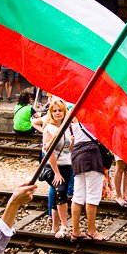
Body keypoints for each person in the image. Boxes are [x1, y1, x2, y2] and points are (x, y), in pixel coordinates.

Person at [33, 99, 73, 237]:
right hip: (53, 167)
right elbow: (48, 153)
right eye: (54, 111)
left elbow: (68, 149)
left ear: (64, 112)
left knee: (58, 195)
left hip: (67, 165)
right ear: (50, 113)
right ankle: (64, 226)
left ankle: (54, 227)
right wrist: (56, 173)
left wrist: (72, 143)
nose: (57, 113)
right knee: (61, 191)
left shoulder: (67, 127)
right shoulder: (49, 129)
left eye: (59, 110)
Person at [69, 120, 106, 241]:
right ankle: (92, 231)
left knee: (78, 196)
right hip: (92, 157)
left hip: (77, 157)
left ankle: (75, 231)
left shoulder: (73, 115)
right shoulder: (93, 115)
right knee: (92, 196)